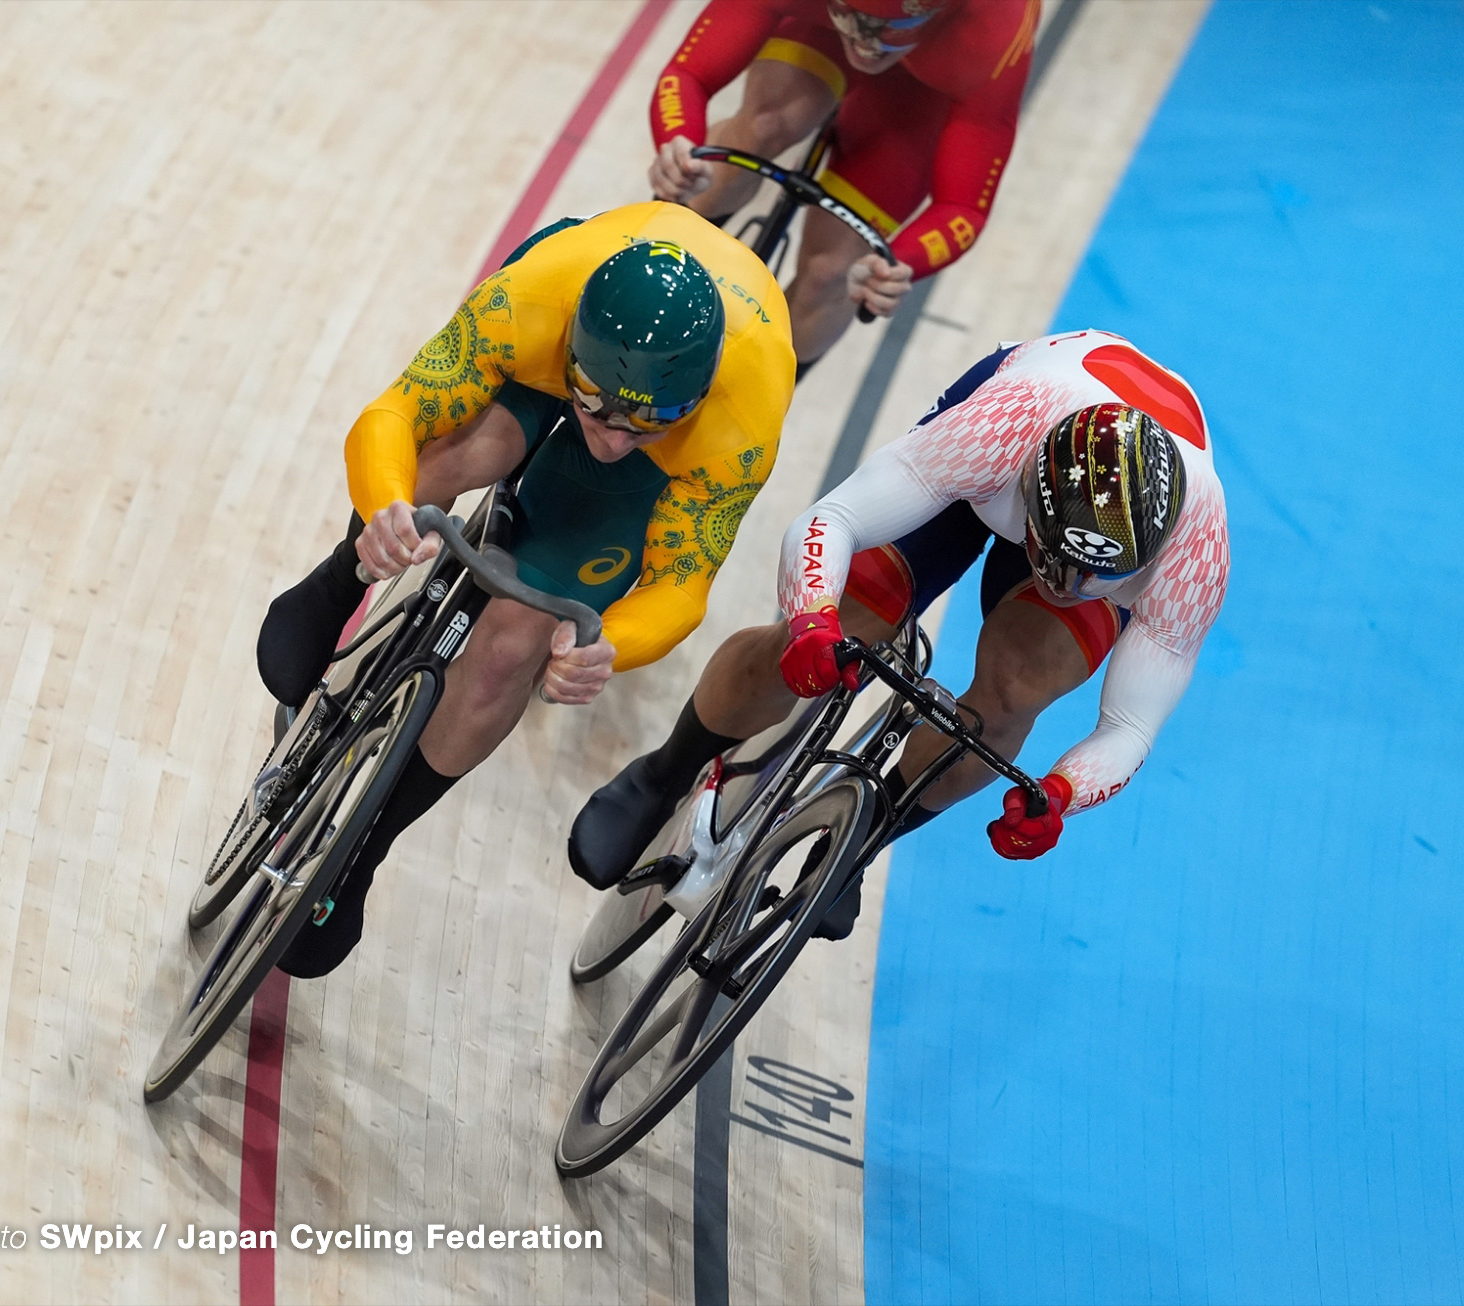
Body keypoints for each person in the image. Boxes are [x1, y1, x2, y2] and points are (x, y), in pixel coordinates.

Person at [257, 201, 795, 977]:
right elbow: (395, 415)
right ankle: (342, 576)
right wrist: (383, 512)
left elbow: (681, 584)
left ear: (695, 402)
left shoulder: (742, 418)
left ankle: (361, 854)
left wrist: (609, 642)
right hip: (553, 342)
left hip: (681, 380)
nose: (612, 438)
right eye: (597, 410)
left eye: (643, 426)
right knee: (447, 466)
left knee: (516, 639)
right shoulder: (529, 302)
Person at [569, 329, 1230, 938]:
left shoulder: (1196, 550)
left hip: (1084, 500)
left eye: (1096, 580)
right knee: (857, 609)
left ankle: (860, 839)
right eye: (1060, 565)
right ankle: (667, 771)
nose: (1067, 587)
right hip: (1000, 450)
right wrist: (809, 624)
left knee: (1020, 688)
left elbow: (1128, 730)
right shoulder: (995, 431)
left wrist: (1058, 796)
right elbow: (835, 520)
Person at [647, 0, 1039, 367]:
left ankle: (754, 394)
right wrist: (678, 147)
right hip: (816, 24)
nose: (866, 44)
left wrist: (896, 264)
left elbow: (963, 207)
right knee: (762, 128)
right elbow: (689, 75)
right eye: (851, 16)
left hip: (930, 85)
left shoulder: (996, 28)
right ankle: (647, 271)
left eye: (886, 27)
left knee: (833, 273)